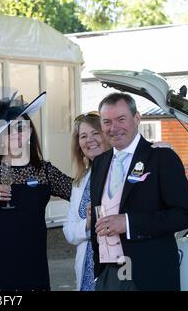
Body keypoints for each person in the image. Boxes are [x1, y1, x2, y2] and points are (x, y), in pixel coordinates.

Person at [0, 89, 72, 291]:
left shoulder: (44, 171)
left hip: (32, 270)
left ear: (30, 131)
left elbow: (79, 192)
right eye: (8, 129)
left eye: (21, 127)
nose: (15, 134)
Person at [90, 92, 188, 291]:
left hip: (148, 274)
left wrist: (128, 223)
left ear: (137, 118)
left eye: (121, 119)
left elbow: (185, 215)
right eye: (107, 122)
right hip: (108, 274)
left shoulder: (162, 157)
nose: (114, 128)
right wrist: (99, 273)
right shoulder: (100, 162)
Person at [63, 111, 109, 291]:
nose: (89, 140)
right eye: (83, 136)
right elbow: (69, 231)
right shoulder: (80, 181)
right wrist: (88, 223)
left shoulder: (121, 169)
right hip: (87, 269)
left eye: (95, 133)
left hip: (117, 264)